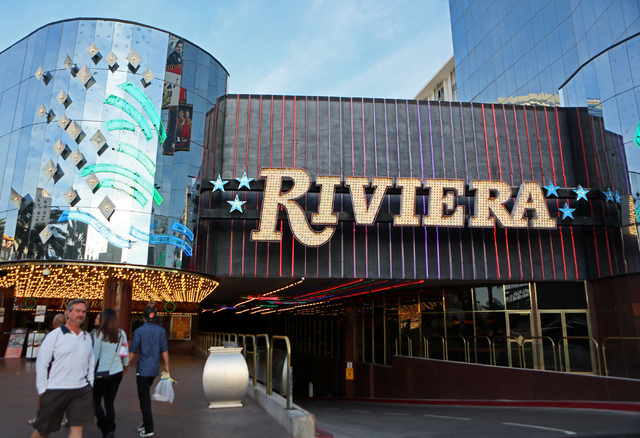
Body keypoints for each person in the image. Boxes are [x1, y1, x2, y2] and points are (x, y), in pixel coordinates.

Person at [31, 299, 94, 438]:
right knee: (44, 430)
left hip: (81, 390)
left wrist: (90, 383)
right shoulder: (54, 336)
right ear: (68, 313)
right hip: (56, 389)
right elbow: (42, 364)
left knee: (78, 429)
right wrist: (42, 390)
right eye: (77, 311)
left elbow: (90, 362)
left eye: (83, 312)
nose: (81, 314)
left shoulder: (87, 337)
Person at [129, 305, 169, 437]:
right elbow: (164, 349)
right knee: (145, 395)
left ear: (143, 317)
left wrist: (124, 365)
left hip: (142, 370)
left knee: (144, 399)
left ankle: (149, 427)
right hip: (154, 370)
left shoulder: (139, 331)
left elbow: (133, 351)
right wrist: (167, 366)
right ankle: (145, 422)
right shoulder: (161, 331)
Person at [93, 309, 129, 438]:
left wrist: (90, 371)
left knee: (95, 400)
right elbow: (124, 350)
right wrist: (126, 364)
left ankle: (105, 427)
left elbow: (95, 355)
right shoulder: (121, 333)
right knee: (109, 402)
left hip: (102, 373)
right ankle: (111, 427)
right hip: (117, 372)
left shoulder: (99, 334)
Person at [27, 314, 68, 427]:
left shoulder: (50, 336)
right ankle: (68, 418)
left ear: (54, 323)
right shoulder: (70, 335)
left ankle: (40, 418)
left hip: (51, 370)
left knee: (43, 395)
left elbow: (43, 357)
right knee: (67, 394)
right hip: (66, 371)